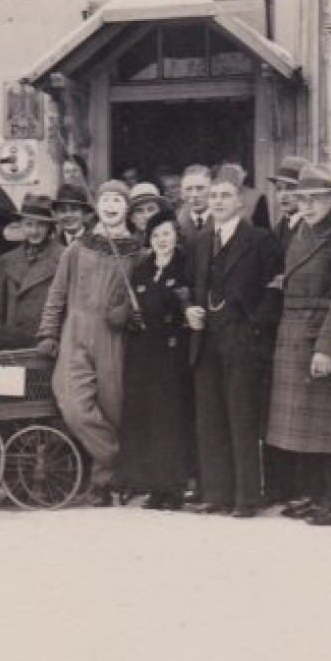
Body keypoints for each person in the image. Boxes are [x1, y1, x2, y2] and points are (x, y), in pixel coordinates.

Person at [265, 164, 331, 528]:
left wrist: (327, 347)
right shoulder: (300, 234)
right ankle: (313, 497)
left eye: (315, 200)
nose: (307, 206)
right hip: (293, 335)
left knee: (330, 426)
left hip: (319, 337)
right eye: (302, 199)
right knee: (302, 425)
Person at [35, 180, 141, 506]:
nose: (111, 206)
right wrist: (48, 333)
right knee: (74, 406)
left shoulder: (138, 251)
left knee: (113, 408)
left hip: (114, 337)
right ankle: (120, 461)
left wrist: (127, 311)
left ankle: (103, 484)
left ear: (126, 208)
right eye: (106, 199)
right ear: (98, 205)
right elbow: (57, 294)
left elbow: (144, 298)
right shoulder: (78, 248)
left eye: (118, 201)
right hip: (76, 334)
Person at [186, 171, 281, 518]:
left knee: (241, 418)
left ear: (240, 201)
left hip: (242, 339)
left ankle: (246, 498)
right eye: (213, 196)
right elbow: (189, 285)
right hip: (206, 339)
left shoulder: (260, 239)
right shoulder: (201, 241)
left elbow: (274, 289)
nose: (218, 202)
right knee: (210, 418)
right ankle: (216, 494)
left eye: (225, 195)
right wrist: (189, 310)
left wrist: (254, 328)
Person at [118, 208, 193, 510]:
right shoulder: (143, 268)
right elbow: (132, 307)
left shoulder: (185, 267)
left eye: (167, 234)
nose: (162, 240)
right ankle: (153, 487)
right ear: (149, 239)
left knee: (170, 421)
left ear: (176, 236)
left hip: (172, 355)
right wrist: (131, 318)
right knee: (146, 419)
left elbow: (189, 306)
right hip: (143, 356)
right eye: (156, 235)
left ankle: (173, 487)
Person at [260, 155, 310, 514]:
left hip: (298, 327)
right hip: (273, 329)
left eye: (291, 189)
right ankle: (278, 486)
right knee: (273, 410)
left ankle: (302, 489)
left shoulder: (307, 228)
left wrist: (282, 284)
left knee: (300, 409)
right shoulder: (277, 229)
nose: (284, 196)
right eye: (279, 188)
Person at [0, 194, 60, 351]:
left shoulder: (63, 257)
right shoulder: (6, 260)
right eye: (29, 224)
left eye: (40, 225)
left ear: (49, 227)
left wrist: (56, 339)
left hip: (45, 342)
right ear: (21, 225)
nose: (34, 230)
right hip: (11, 343)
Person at [176, 164, 214, 247]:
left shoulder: (228, 221)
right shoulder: (174, 222)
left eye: (200, 188)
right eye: (189, 189)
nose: (194, 195)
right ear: (182, 194)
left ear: (212, 189)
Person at [52, 183, 92, 248]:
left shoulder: (98, 243)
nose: (68, 215)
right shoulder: (53, 245)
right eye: (63, 210)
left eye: (74, 209)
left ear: (84, 212)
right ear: (57, 214)